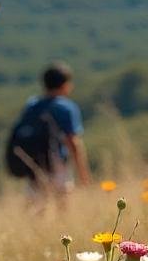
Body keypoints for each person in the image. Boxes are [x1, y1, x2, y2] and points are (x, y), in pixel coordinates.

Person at [6, 62, 91, 194]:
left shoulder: (32, 104)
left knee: (37, 208)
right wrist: (83, 174)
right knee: (62, 205)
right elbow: (73, 142)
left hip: (33, 165)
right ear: (65, 85)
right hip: (57, 164)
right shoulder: (66, 107)